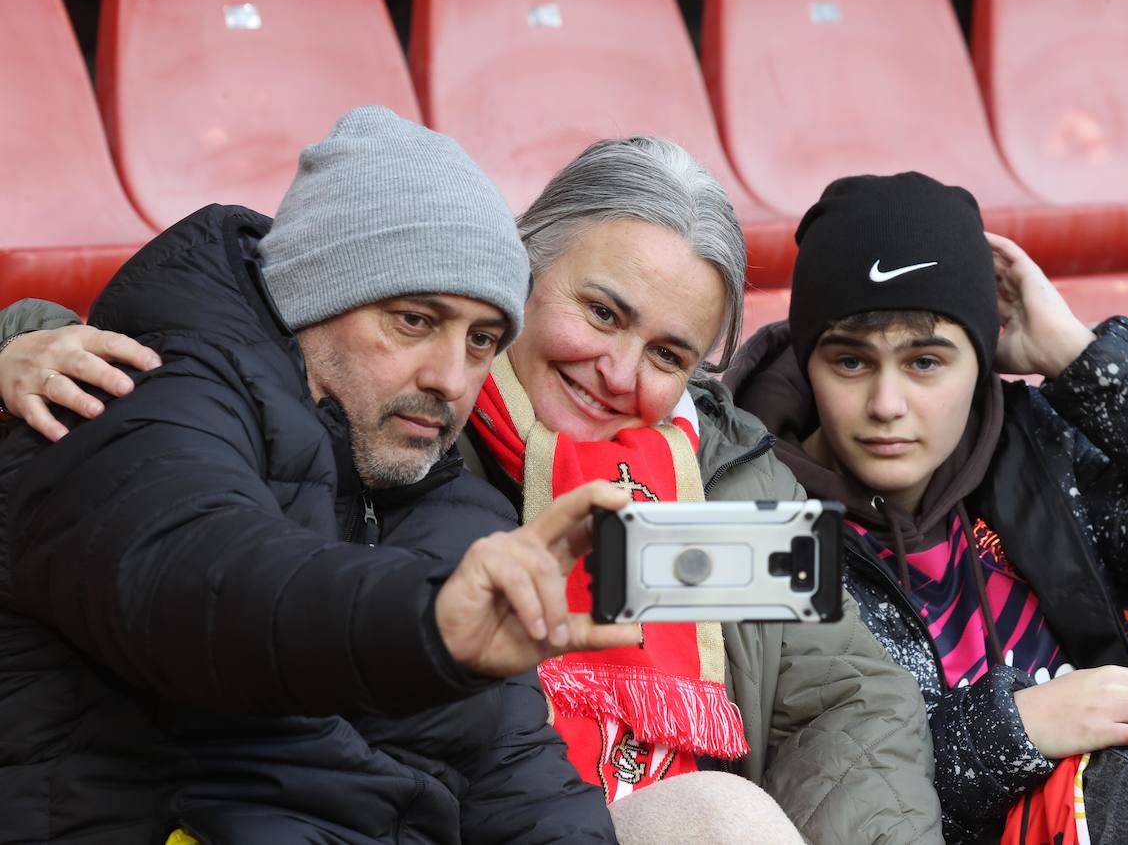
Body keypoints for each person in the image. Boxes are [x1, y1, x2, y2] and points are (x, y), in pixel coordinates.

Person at [0, 139, 946, 845]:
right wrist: (15, 341)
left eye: (667, 355)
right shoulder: (403, 416)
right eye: (601, 312)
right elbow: (174, 394)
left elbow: (849, 698)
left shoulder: (712, 480)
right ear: (519, 268)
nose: (620, 374)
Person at [0, 106, 640, 844]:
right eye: (413, 320)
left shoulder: (453, 504)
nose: (450, 378)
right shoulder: (136, 394)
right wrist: (429, 622)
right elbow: (207, 577)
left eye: (482, 340)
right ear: (313, 295)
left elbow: (516, 776)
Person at [723, 171, 1128, 845]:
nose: (888, 404)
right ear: (809, 359)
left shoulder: (1025, 455)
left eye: (926, 362)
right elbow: (800, 798)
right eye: (852, 363)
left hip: (1114, 810)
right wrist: (1016, 727)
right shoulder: (754, 513)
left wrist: (1075, 355)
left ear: (980, 360)